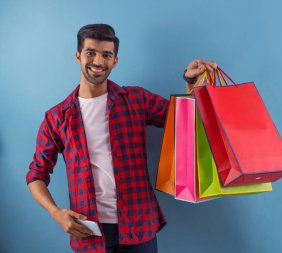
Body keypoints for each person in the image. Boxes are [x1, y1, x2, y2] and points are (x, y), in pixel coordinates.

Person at [26, 23, 217, 253]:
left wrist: (189, 81)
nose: (98, 61)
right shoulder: (57, 117)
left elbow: (185, 120)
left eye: (106, 55)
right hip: (89, 233)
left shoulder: (136, 99)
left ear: (115, 60)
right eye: (90, 53)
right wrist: (56, 213)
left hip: (138, 227)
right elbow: (36, 175)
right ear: (78, 56)